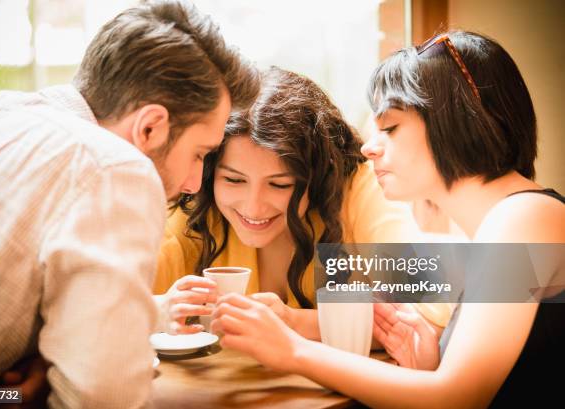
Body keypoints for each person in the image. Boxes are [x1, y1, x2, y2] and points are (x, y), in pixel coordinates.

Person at [210, 31, 564, 408]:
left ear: (457, 123)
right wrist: (429, 364)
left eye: (390, 128)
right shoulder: (501, 221)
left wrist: (292, 350)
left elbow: (459, 397)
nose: (368, 146)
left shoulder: (524, 216)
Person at [0, 1, 259, 408]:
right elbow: (103, 397)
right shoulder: (114, 167)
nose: (192, 184)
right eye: (200, 154)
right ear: (150, 127)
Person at [152, 66, 453, 338]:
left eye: (280, 184)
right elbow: (118, 300)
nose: (253, 207)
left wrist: (292, 322)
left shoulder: (358, 190)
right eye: (233, 180)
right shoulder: (199, 210)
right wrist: (160, 309)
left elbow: (430, 314)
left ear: (317, 176)